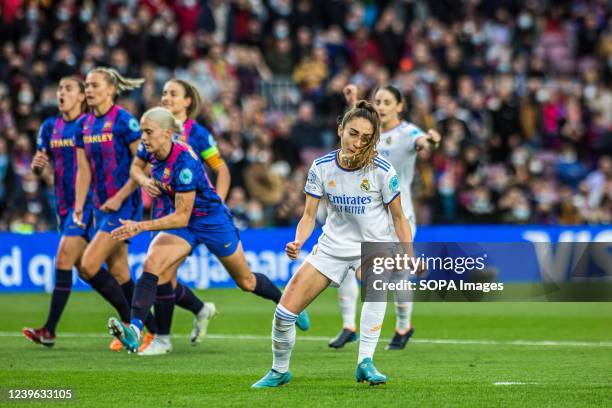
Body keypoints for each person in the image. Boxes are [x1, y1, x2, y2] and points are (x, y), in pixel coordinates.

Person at [106, 107, 309, 354]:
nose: (143, 137)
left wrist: (140, 226)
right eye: (143, 131)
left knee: (246, 281)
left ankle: (286, 302)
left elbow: (181, 215)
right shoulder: (148, 147)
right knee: (152, 265)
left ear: (168, 133)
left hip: (211, 220)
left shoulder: (184, 162)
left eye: (148, 132)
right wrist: (145, 181)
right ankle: (135, 330)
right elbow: (135, 169)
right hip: (185, 222)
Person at [252, 101, 414, 388]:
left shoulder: (381, 170)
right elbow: (309, 215)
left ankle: (365, 361)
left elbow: (399, 218)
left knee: (376, 287)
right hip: (332, 247)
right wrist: (298, 240)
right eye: (353, 134)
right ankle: (279, 371)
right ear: (340, 129)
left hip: (374, 245)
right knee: (284, 313)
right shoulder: (322, 167)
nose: (358, 142)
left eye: (366, 138)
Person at [329, 84, 440, 350]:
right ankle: (348, 326)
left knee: (398, 275)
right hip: (366, 214)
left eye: (387, 102)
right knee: (343, 264)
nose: (381, 106)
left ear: (400, 106)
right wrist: (354, 102)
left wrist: (432, 140)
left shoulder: (407, 133)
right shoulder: (369, 134)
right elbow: (352, 129)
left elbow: (423, 142)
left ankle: (404, 325)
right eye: (378, 101)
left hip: (399, 216)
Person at [73, 67, 156, 352]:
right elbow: (83, 170)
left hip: (125, 206)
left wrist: (121, 197)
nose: (89, 90)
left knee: (88, 266)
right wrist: (78, 205)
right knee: (119, 271)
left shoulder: (124, 121)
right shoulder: (83, 125)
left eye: (94, 85)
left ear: (110, 89)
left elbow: (141, 164)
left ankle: (133, 327)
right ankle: (147, 330)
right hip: (100, 206)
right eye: (86, 85)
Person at [21, 76, 96, 347]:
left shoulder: (88, 126)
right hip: (62, 206)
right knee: (88, 270)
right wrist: (37, 166)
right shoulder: (50, 126)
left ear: (81, 97)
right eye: (59, 88)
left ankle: (49, 329)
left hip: (86, 204)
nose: (61, 92)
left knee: (64, 258)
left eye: (68, 88)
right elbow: (40, 164)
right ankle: (135, 320)